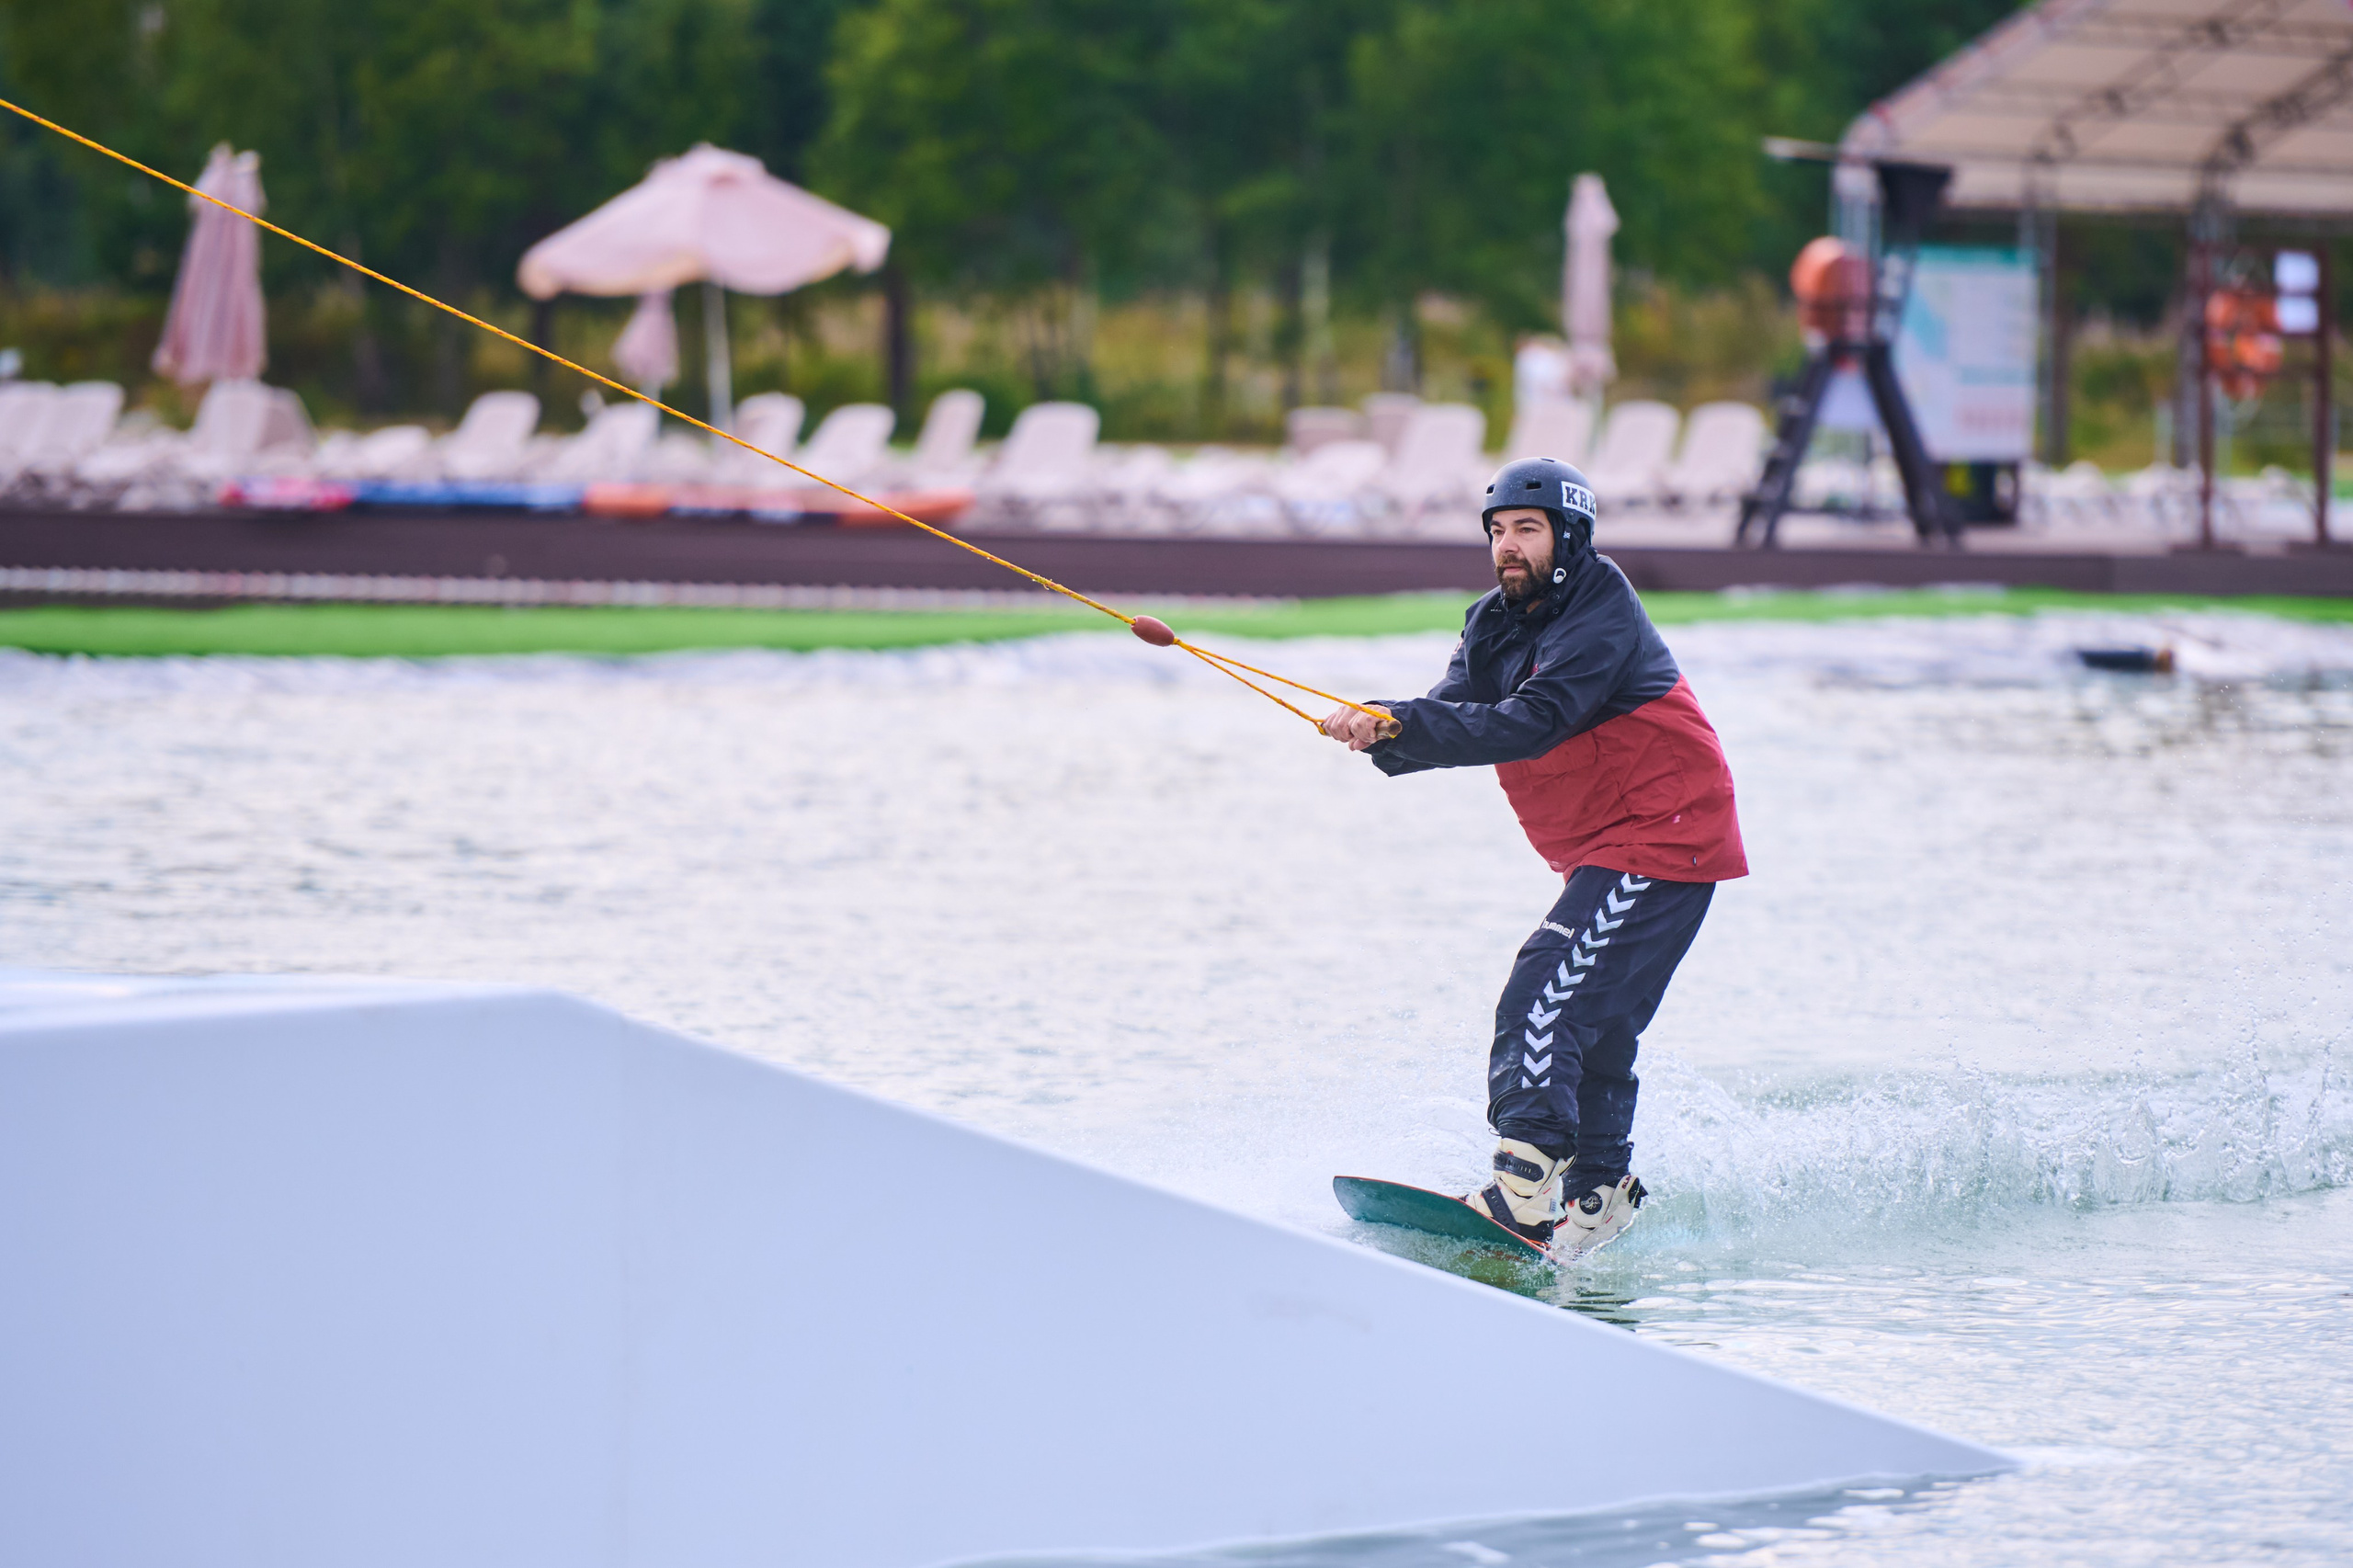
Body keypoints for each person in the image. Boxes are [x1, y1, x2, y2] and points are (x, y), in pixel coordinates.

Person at [1320, 457, 1745, 1257]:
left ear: (1570, 536)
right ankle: (1593, 1203)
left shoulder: (1601, 608)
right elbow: (1457, 709)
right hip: (1609, 847)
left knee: (1541, 987)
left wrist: (1404, 723)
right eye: (1497, 532)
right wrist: (1382, 726)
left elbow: (1533, 720)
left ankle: (1520, 1187)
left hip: (1665, 833)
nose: (1506, 547)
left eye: (1526, 530)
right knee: (1596, 1024)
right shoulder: (1491, 619)